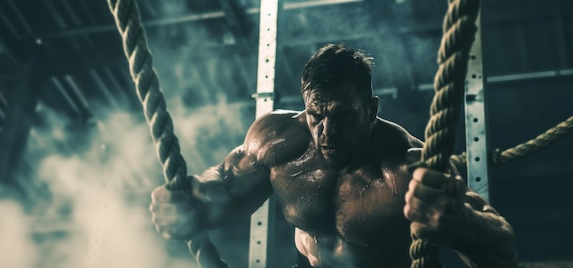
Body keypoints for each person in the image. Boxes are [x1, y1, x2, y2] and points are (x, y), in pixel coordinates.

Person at [150, 43, 517, 267]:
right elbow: (224, 188)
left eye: (342, 115)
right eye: (316, 116)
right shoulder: (277, 141)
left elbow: (501, 246)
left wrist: (464, 226)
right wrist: (190, 198)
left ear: (371, 110)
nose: (327, 130)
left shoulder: (405, 167)